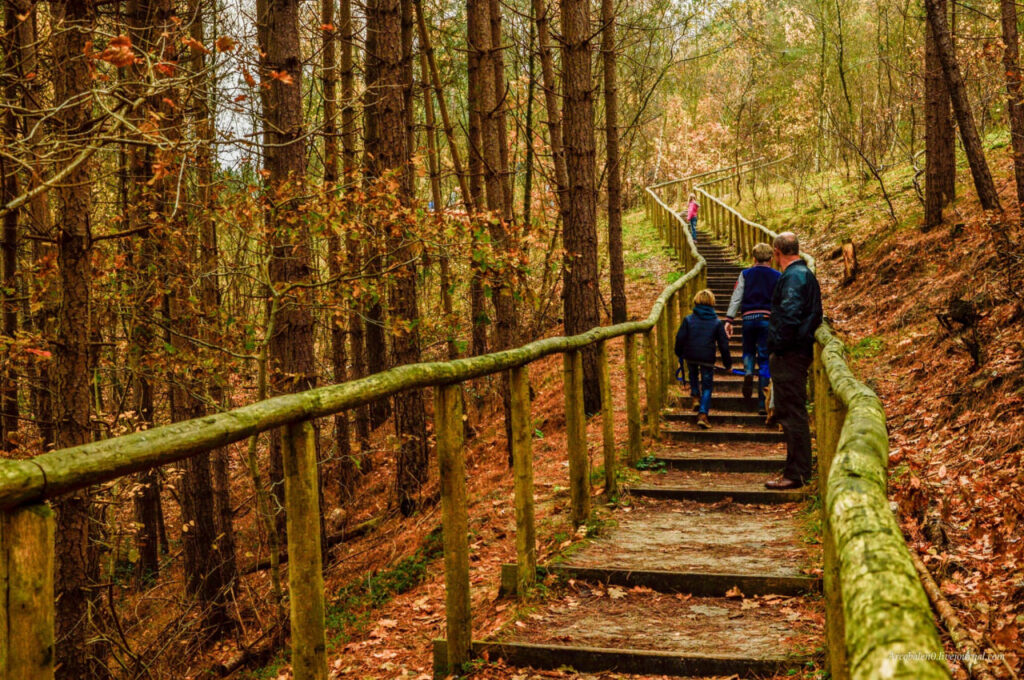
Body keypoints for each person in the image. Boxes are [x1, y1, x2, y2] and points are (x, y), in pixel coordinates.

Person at [765, 232, 823, 490]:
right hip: (796, 350)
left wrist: (777, 346)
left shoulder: (794, 277)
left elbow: (789, 314)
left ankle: (797, 473)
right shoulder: (802, 275)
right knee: (791, 412)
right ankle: (796, 469)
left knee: (791, 414)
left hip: (791, 354)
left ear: (777, 251)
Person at [725, 242, 781, 416]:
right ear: (771, 259)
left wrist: (729, 319)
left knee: (748, 350)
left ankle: (748, 371)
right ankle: (762, 404)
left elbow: (736, 297)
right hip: (767, 319)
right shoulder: (777, 276)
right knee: (765, 359)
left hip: (748, 318)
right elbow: (780, 299)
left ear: (753, 258)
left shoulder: (745, 274)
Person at [674, 289, 732, 429]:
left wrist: (679, 353)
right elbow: (723, 344)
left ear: (696, 301)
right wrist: (728, 364)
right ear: (712, 303)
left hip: (691, 355)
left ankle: (695, 396)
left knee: (693, 375)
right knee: (707, 386)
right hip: (707, 357)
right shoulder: (716, 322)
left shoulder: (688, 319)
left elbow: (680, 338)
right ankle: (703, 414)